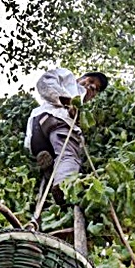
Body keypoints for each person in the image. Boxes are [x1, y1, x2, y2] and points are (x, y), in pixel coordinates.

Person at [24, 68, 109, 204]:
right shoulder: (69, 79)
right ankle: (63, 185)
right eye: (91, 81)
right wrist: (67, 101)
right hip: (57, 122)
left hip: (38, 133)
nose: (91, 86)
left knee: (57, 158)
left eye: (96, 89)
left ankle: (48, 168)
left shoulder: (82, 110)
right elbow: (45, 81)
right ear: (80, 78)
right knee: (69, 155)